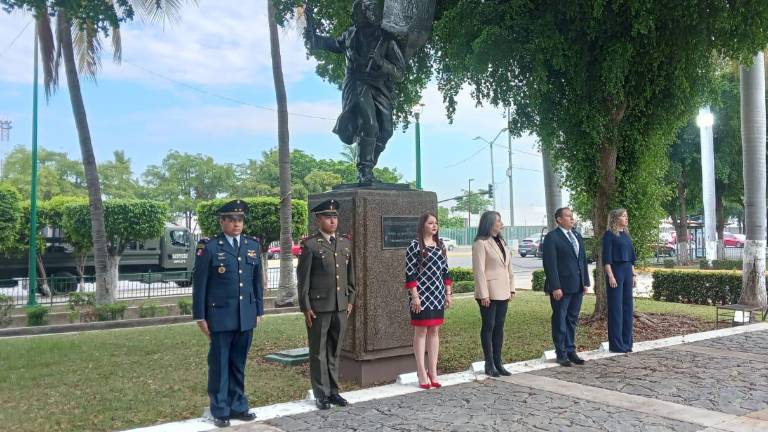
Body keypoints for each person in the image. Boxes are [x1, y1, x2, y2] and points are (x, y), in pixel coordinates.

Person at [305, 0, 405, 184]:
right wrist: (315, 39)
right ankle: (364, 169)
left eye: (360, 13)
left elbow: (399, 73)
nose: (356, 16)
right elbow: (335, 44)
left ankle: (369, 167)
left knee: (386, 131)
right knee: (369, 124)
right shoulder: (351, 34)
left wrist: (381, 62)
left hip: (379, 87)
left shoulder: (387, 40)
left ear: (370, 15)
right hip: (356, 83)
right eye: (356, 13)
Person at [192, 199, 263, 428]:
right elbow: (200, 284)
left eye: (240, 220)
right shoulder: (210, 247)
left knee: (238, 364)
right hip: (220, 317)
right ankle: (220, 409)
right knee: (220, 364)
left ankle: (239, 406)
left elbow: (256, 282)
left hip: (245, 315)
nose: (236, 224)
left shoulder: (253, 246)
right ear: (222, 221)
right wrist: (200, 316)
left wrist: (259, 310)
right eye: (231, 220)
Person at [296, 199, 356, 410]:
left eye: (335, 216)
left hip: (340, 306)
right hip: (319, 307)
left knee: (334, 351)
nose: (333, 220)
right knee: (318, 352)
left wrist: (350, 300)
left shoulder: (345, 243)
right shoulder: (310, 245)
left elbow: (351, 277)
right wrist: (306, 307)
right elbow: (303, 280)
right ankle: (321, 394)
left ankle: (334, 392)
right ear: (318, 219)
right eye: (328, 217)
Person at [404, 213, 453, 389]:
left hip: (438, 294)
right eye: (430, 223)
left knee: (434, 331)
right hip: (421, 295)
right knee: (421, 331)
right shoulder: (414, 245)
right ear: (423, 225)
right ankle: (421, 372)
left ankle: (433, 371)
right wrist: (414, 296)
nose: (434, 226)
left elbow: (445, 271)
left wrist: (448, 293)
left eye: (436, 223)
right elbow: (410, 273)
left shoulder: (440, 245)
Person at [542, 207, 590, 367]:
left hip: (577, 285)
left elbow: (582, 260)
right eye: (568, 216)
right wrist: (555, 286)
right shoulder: (552, 237)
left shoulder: (576, 235)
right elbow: (550, 265)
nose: (572, 218)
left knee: (572, 319)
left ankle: (571, 350)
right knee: (560, 319)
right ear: (559, 219)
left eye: (572, 216)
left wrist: (585, 282)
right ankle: (561, 352)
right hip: (561, 287)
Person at [472, 211, 516, 377]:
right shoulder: (480, 243)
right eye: (498, 220)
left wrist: (512, 287)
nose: (500, 223)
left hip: (503, 290)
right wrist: (483, 294)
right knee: (489, 326)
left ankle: (498, 362)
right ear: (490, 223)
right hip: (488, 293)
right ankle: (489, 363)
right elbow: (479, 271)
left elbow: (508, 267)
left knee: (499, 327)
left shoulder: (502, 242)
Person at [602, 208, 637, 353]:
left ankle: (627, 343)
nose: (626, 218)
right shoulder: (609, 235)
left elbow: (632, 258)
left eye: (626, 216)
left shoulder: (626, 235)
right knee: (616, 309)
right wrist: (610, 276)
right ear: (615, 219)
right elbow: (606, 259)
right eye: (623, 216)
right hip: (615, 272)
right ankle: (616, 344)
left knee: (628, 308)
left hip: (628, 271)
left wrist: (634, 275)